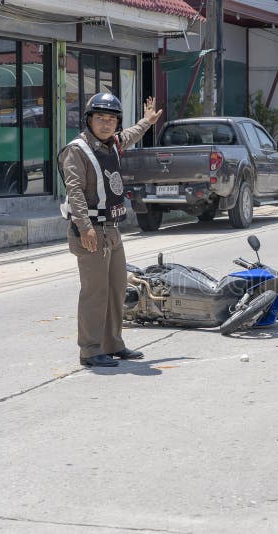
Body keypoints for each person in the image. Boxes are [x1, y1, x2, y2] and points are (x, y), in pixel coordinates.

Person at [59, 93, 162, 367]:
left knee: (116, 289)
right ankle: (90, 350)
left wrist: (146, 122)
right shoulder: (76, 150)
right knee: (95, 292)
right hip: (91, 230)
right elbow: (75, 190)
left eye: (112, 119)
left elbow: (129, 135)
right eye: (100, 118)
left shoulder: (112, 143)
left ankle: (113, 343)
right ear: (88, 120)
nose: (106, 124)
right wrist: (84, 227)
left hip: (112, 230)